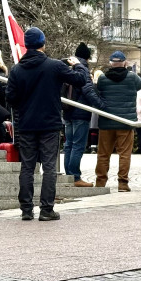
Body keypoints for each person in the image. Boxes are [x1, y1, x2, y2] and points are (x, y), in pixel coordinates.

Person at [6, 27, 89, 221]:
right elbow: (80, 80)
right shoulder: (53, 66)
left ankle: (26, 209)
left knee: (27, 166)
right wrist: (78, 65)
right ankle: (46, 209)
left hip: (26, 124)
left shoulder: (17, 69)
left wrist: (24, 107)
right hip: (50, 124)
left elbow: (10, 97)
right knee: (49, 167)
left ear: (27, 45)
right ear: (43, 43)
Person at [94, 51, 141, 191]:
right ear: (125, 62)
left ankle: (100, 182)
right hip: (125, 122)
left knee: (103, 154)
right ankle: (123, 183)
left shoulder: (103, 78)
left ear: (110, 63)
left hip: (106, 121)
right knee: (124, 154)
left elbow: (98, 91)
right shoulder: (132, 77)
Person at [63, 42, 100, 187]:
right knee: (78, 145)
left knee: (68, 145)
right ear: (87, 57)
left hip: (67, 111)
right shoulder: (83, 68)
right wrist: (101, 105)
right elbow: (87, 90)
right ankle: (75, 177)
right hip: (80, 112)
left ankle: (69, 175)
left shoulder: (68, 66)